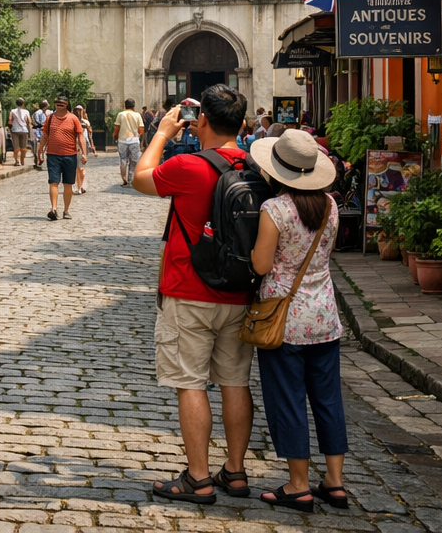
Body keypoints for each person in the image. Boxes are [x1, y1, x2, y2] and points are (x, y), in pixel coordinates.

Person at [130, 84, 254, 505]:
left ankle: (198, 478)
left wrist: (162, 132)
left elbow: (140, 179)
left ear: (201, 120)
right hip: (238, 293)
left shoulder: (187, 166)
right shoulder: (257, 166)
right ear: (241, 124)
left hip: (188, 288)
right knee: (236, 382)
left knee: (190, 384)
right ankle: (235, 472)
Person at [248, 128, 345, 513]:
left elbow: (261, 264)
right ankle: (335, 482)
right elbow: (326, 256)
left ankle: (298, 484)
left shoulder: (275, 210)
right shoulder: (330, 207)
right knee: (328, 399)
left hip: (285, 319)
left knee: (288, 399)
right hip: (324, 316)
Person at [40, 96, 86, 220]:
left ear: (66, 105)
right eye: (57, 103)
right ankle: (54, 209)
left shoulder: (73, 119)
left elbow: (80, 136)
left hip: (70, 155)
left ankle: (66, 210)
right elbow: (45, 135)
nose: (59, 105)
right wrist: (39, 151)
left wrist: (84, 153)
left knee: (68, 184)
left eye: (62, 103)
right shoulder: (50, 119)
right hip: (53, 155)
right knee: (53, 182)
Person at [114, 99, 144, 187]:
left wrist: (115, 137)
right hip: (134, 140)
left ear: (125, 105)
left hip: (123, 140)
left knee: (123, 160)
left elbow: (117, 128)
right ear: (134, 106)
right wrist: (138, 136)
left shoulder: (120, 114)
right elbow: (141, 129)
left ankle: (124, 179)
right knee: (134, 160)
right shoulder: (137, 115)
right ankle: (131, 179)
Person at [73, 105, 94, 194]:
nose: (79, 112)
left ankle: (81, 185)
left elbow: (89, 135)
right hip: (74, 145)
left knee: (81, 167)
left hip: (83, 145)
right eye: (77, 110)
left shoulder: (85, 122)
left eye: (80, 110)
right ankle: (78, 186)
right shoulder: (72, 120)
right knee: (75, 167)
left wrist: (92, 146)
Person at [9, 97, 32, 168]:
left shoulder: (12, 111)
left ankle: (17, 161)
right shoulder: (26, 111)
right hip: (24, 130)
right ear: (23, 104)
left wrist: (10, 127)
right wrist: (30, 130)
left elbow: (10, 120)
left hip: (15, 130)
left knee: (16, 147)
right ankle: (22, 160)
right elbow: (29, 121)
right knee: (23, 148)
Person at [31, 100, 50, 170]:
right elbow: (36, 122)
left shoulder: (46, 113)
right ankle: (38, 161)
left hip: (44, 132)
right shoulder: (38, 113)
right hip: (38, 132)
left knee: (44, 148)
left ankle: (42, 160)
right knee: (39, 147)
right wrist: (43, 126)